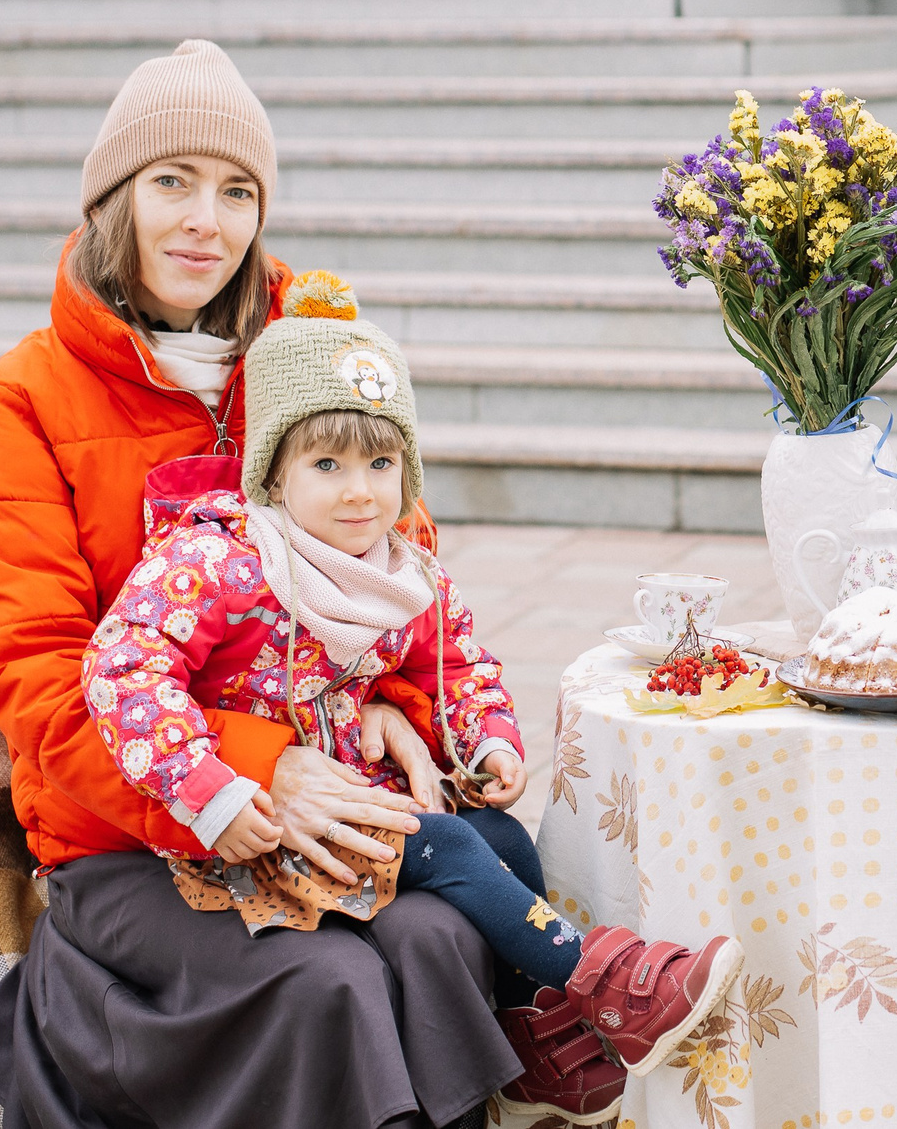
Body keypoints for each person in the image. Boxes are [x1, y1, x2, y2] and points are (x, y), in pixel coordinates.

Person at [0, 40, 520, 1128]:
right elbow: (41, 689)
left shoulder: (311, 358)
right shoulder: (21, 403)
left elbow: (404, 566)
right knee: (327, 983)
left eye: (236, 190)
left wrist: (393, 703)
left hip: (332, 805)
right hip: (134, 832)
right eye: (172, 182)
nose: (207, 219)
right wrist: (257, 770)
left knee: (444, 935)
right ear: (114, 199)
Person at [85, 271, 741, 1125]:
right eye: (326, 464)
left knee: (498, 832)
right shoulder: (223, 561)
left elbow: (459, 665)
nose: (360, 490)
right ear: (274, 475)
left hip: (353, 800)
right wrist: (209, 790)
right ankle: (600, 982)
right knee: (444, 843)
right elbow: (124, 667)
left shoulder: (402, 570)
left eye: (381, 462)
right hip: (254, 829)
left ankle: (533, 1036)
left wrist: (489, 741)